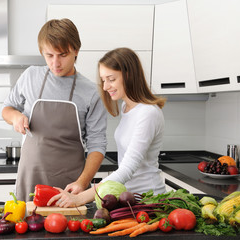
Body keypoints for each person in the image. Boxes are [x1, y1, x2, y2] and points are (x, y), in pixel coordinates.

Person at [1, 18, 107, 202]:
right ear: (42, 52)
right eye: (49, 55)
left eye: (62, 55)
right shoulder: (30, 76)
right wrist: (16, 116)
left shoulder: (92, 93)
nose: (55, 63)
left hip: (70, 185)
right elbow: (7, 109)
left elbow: (97, 145)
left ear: (76, 50)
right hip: (30, 178)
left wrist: (82, 183)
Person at [48, 47, 167, 208]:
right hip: (129, 198)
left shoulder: (148, 113)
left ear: (129, 75)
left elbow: (127, 169)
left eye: (111, 79)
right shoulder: (127, 107)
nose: (105, 87)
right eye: (103, 80)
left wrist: (81, 198)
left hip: (148, 200)